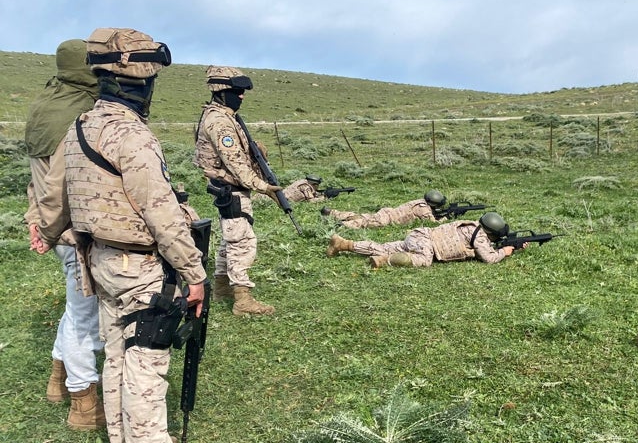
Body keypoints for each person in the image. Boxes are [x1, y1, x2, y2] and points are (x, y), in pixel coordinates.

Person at [33, 27, 206, 442]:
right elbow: (161, 214)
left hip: (100, 262)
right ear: (143, 82)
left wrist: (49, 231)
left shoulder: (78, 127)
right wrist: (194, 273)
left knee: (115, 359)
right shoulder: (133, 135)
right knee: (145, 367)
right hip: (140, 268)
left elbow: (58, 197)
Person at [24, 38, 104, 430]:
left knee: (77, 310)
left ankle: (58, 378)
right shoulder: (80, 112)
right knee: (86, 318)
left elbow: (36, 179)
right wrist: (56, 227)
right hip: (75, 231)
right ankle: (83, 401)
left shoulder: (45, 104)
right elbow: (62, 184)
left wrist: (35, 219)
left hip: (52, 225)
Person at [193, 65, 279, 315]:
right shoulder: (220, 122)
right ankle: (242, 299)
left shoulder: (223, 115)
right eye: (237, 90)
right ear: (221, 90)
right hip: (230, 189)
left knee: (230, 239)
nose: (241, 96)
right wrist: (264, 187)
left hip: (228, 187)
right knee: (242, 242)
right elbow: (236, 164)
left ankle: (221, 288)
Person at [326, 211, 518, 268]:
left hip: (418, 235)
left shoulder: (470, 225)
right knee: (424, 260)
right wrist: (505, 251)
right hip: (426, 243)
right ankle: (385, 262)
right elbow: (489, 257)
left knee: (384, 246)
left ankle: (344, 244)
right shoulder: (481, 238)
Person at [321, 189, 447, 228]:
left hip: (388, 212)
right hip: (388, 219)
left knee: (365, 216)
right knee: (366, 221)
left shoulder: (420, 202)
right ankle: (343, 225)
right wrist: (444, 218)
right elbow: (432, 224)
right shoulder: (424, 209)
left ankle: (332, 212)